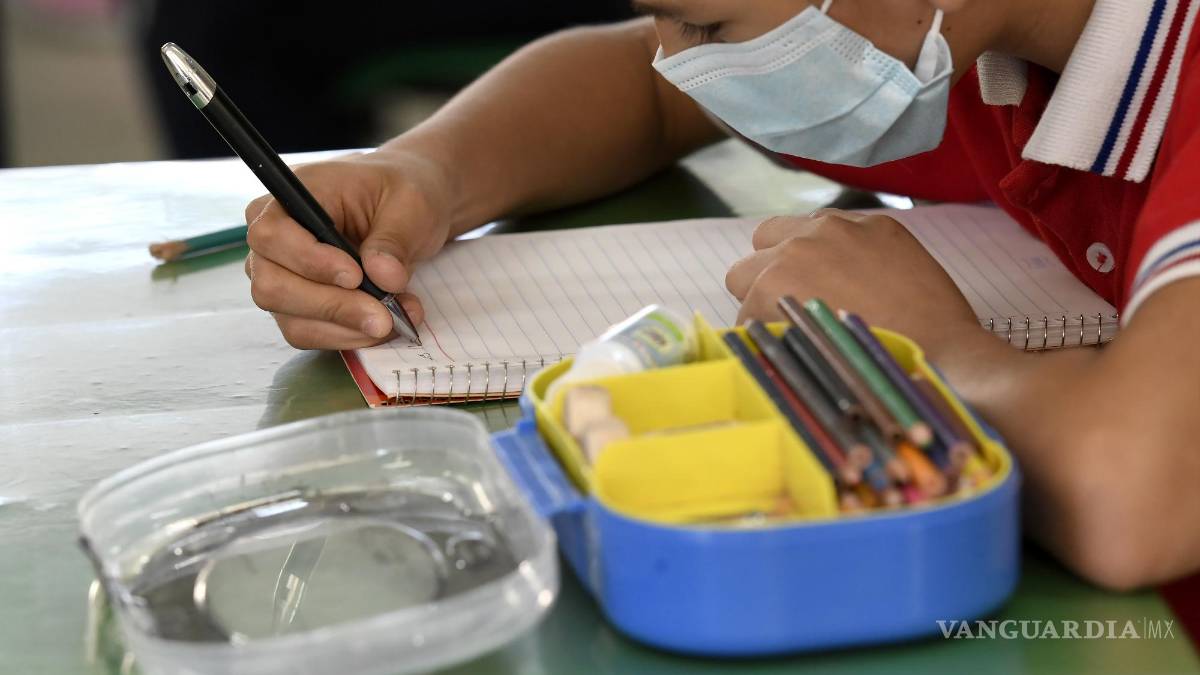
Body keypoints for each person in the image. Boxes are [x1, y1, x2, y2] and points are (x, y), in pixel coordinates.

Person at [242, 0, 1200, 591]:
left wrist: (927, 345)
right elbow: (649, 91)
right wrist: (427, 173)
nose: (678, 56)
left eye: (704, 30)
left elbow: (1133, 500)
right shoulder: (955, 47)